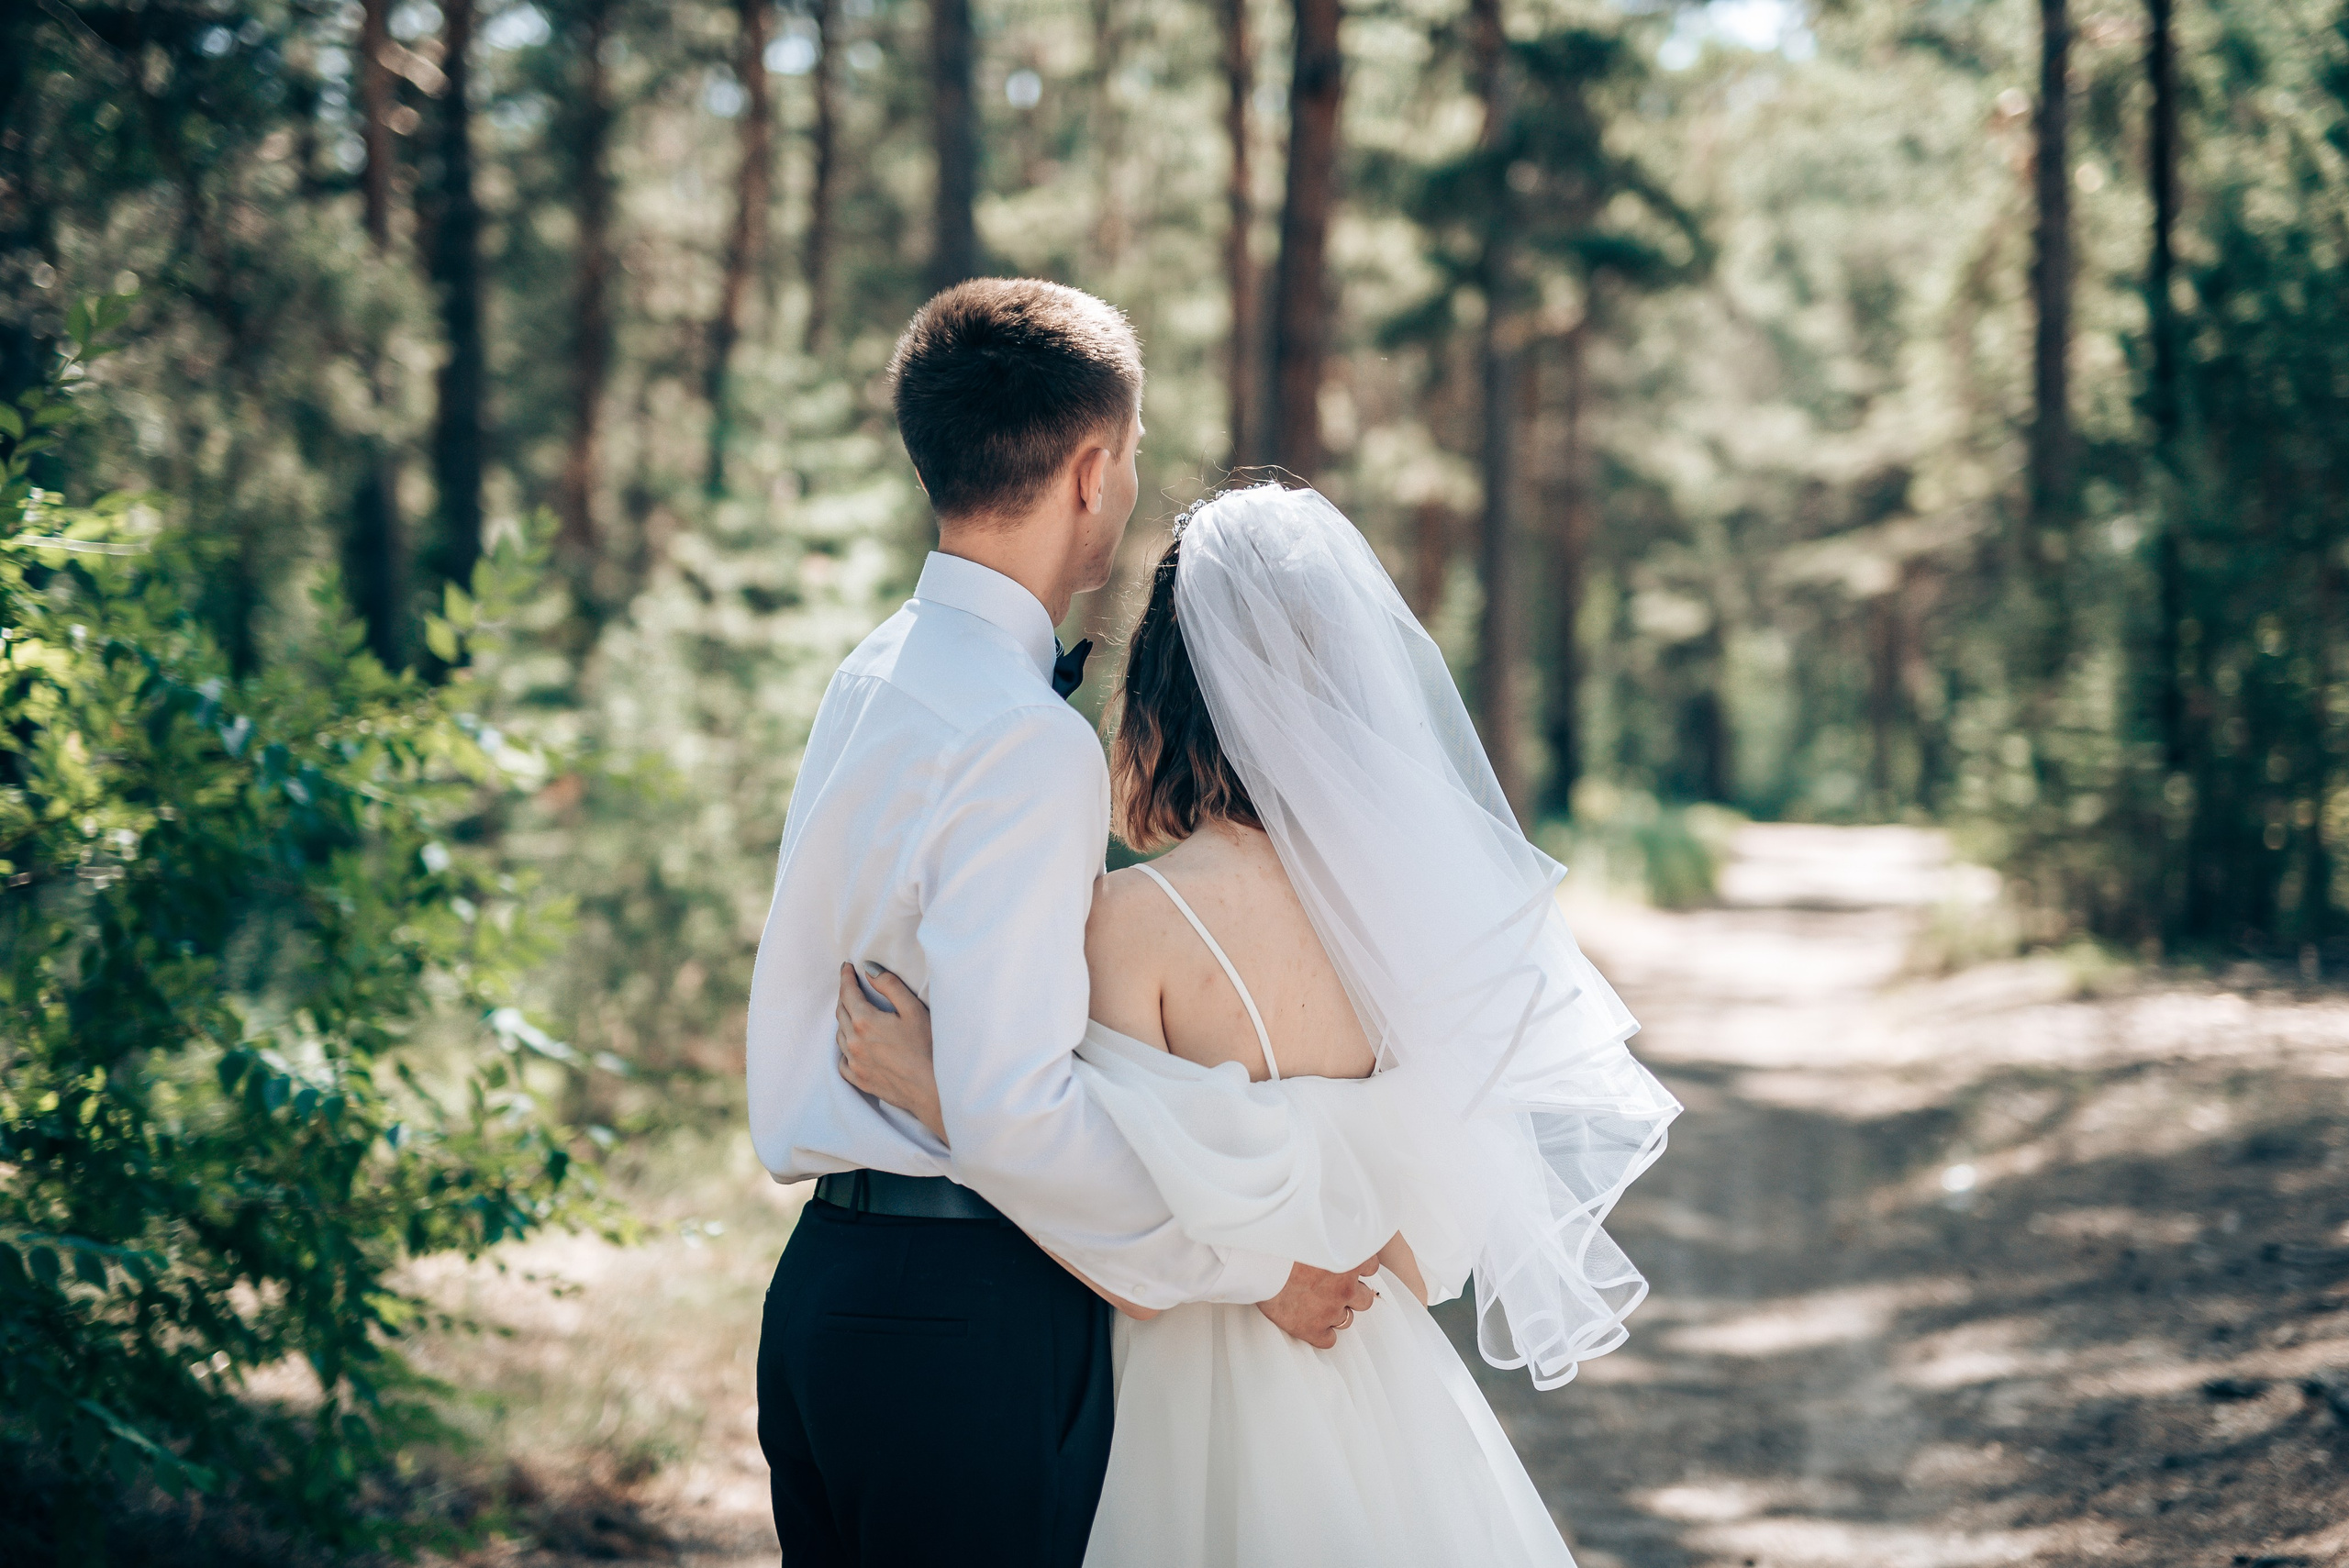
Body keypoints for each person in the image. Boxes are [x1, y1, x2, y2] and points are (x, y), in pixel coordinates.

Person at [835, 482, 1684, 1567]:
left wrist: (940, 1092)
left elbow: (1091, 1199)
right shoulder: (1407, 928)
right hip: (1376, 1386)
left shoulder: (1136, 920)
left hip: (1178, 1399)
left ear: (1164, 686)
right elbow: (1416, 1240)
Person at [743, 280, 1378, 1568]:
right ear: (1092, 470)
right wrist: (1254, 1269)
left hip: (827, 1293)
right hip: (963, 1324)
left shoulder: (872, 671)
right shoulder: (1026, 740)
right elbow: (1017, 1110)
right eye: (1134, 458)